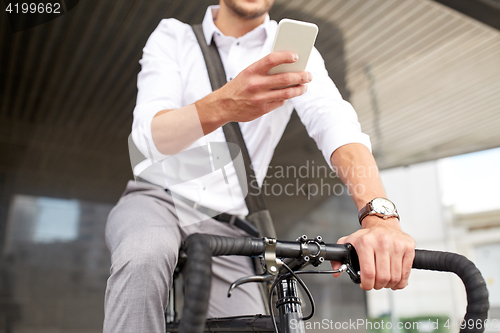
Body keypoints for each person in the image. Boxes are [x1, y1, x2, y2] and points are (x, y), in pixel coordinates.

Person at [103, 0, 416, 332]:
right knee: (143, 255)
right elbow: (148, 139)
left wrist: (378, 217)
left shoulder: (294, 51)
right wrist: (225, 103)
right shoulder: (173, 37)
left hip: (225, 224)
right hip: (156, 199)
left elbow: (334, 124)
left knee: (254, 325)